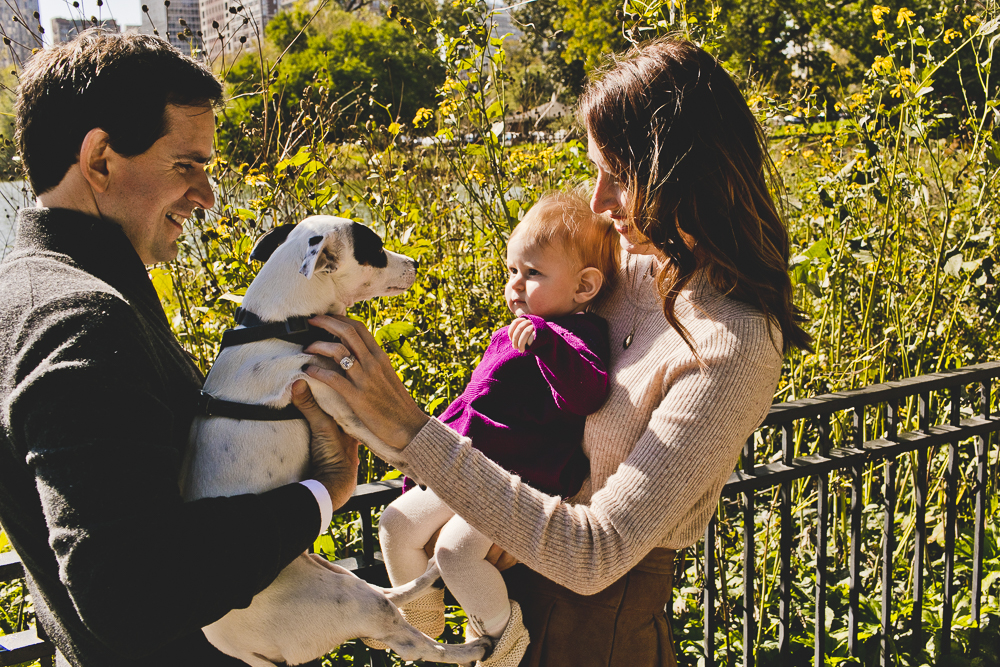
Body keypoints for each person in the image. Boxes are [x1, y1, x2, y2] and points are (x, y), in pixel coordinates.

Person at [301, 35, 811, 667]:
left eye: (620, 179)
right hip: (511, 595)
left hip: (592, 634)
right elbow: (536, 324)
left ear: (686, 177)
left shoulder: (731, 346)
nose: (598, 203)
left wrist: (411, 430)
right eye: (596, 170)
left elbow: (598, 554)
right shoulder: (630, 266)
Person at [0, 30, 357, 667]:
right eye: (185, 165)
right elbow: (128, 595)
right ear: (101, 159)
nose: (207, 195)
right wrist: (322, 494)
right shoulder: (81, 318)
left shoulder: (19, 291)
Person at [368, 191, 618, 661]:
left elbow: (588, 393)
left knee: (456, 553)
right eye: (512, 271)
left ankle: (502, 641)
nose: (516, 286)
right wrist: (429, 449)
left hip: (514, 482)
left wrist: (547, 343)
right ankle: (422, 627)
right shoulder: (512, 333)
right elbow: (474, 402)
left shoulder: (576, 335)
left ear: (584, 287)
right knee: (396, 524)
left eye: (533, 274)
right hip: (464, 466)